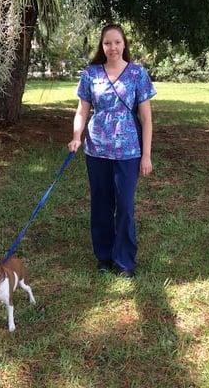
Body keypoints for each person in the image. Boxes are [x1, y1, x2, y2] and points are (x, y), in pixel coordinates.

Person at [67, 24, 156, 278]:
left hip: (129, 152)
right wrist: (76, 137)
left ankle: (125, 260)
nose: (112, 47)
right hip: (97, 151)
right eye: (107, 43)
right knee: (101, 205)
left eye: (117, 42)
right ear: (102, 46)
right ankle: (104, 256)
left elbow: (147, 119)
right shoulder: (90, 74)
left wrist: (146, 155)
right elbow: (82, 110)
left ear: (124, 44)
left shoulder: (138, 74)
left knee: (125, 206)